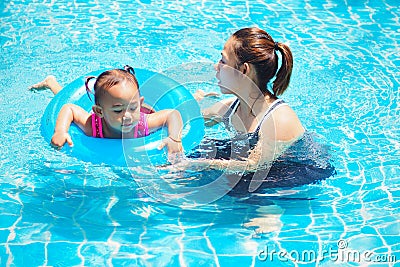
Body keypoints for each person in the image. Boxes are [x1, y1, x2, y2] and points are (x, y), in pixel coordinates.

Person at [189, 27, 305, 173]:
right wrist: (193, 101)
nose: (216, 66)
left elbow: (254, 166)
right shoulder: (231, 107)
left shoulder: (279, 119)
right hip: (250, 162)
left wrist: (199, 164)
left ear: (244, 70)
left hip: (290, 176)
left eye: (223, 61)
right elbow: (194, 118)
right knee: (199, 151)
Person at [31, 66, 184, 155]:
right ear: (99, 112)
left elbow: (172, 114)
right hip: (98, 115)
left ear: (140, 103)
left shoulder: (143, 123)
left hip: (144, 109)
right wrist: (60, 131)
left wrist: (174, 138)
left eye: (133, 108)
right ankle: (51, 83)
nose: (128, 117)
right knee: (63, 96)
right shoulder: (93, 126)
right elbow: (69, 107)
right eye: (118, 111)